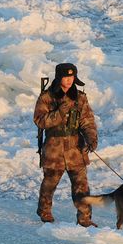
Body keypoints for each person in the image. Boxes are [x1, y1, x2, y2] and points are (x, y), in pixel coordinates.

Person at [33, 63, 98, 226]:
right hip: (54, 148)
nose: (69, 80)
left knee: (81, 186)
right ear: (59, 77)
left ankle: (84, 218)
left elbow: (87, 121)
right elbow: (40, 121)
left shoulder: (80, 97)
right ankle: (44, 211)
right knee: (50, 183)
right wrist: (60, 112)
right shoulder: (46, 97)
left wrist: (91, 138)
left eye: (72, 77)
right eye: (66, 77)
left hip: (75, 148)